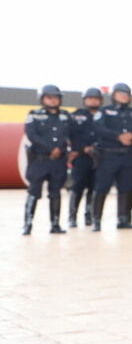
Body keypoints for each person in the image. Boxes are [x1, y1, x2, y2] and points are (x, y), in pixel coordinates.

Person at [91, 84, 132, 231]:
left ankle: (123, 219)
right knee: (102, 187)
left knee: (126, 187)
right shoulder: (104, 111)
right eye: (121, 93)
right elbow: (98, 128)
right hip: (109, 154)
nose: (124, 96)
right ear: (113, 95)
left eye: (127, 93)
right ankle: (96, 220)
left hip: (128, 155)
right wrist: (118, 137)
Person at [23, 85, 70, 235]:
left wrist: (61, 149)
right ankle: (27, 224)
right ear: (42, 99)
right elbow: (32, 135)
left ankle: (55, 224)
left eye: (56, 97)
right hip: (39, 160)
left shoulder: (65, 116)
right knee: (33, 192)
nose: (53, 100)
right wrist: (51, 148)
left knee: (55, 192)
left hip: (58, 162)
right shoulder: (33, 115)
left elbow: (70, 135)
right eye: (49, 97)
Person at [67, 87, 103, 229]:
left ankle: (89, 216)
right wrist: (82, 148)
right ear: (84, 100)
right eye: (90, 98)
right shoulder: (75, 115)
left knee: (94, 187)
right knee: (78, 187)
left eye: (96, 98)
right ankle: (72, 217)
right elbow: (70, 135)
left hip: (99, 157)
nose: (93, 101)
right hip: (81, 157)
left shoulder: (104, 115)